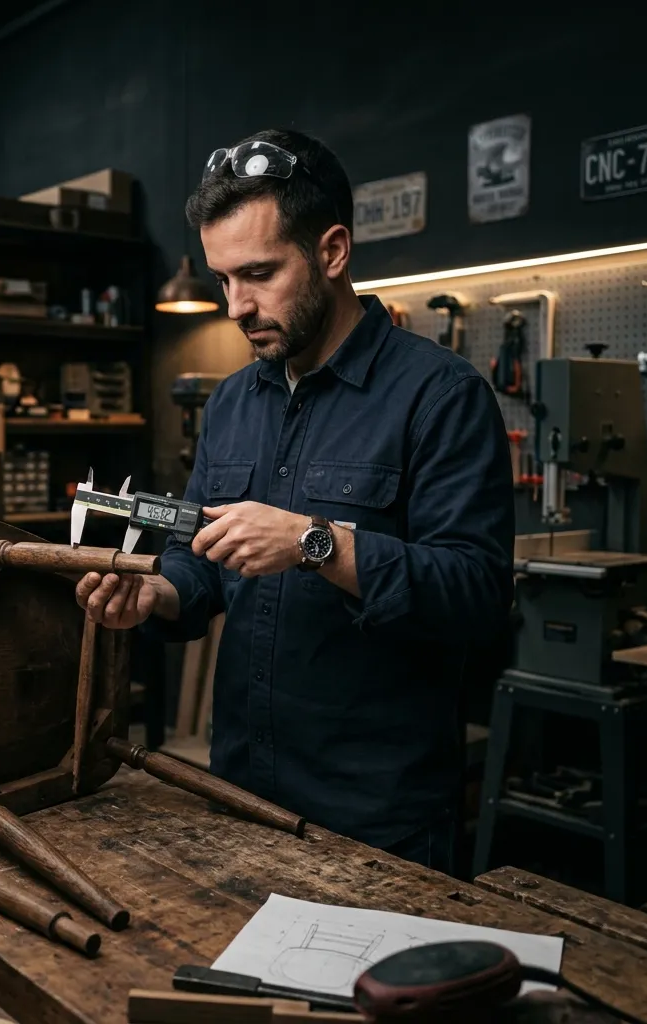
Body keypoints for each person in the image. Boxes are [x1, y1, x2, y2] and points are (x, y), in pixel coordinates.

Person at [75, 128, 514, 872]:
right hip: (242, 788)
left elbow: (476, 595)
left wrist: (318, 544)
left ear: (333, 251)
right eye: (222, 279)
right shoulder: (233, 403)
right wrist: (155, 596)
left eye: (258, 273)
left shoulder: (440, 396)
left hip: (379, 816)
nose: (236, 307)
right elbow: (200, 563)